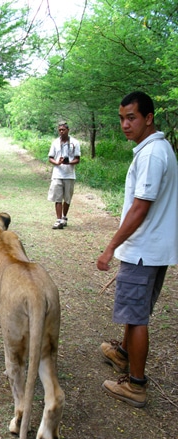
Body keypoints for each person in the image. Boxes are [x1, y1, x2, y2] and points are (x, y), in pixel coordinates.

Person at [97, 91, 178, 408]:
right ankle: (123, 355)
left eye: (131, 117)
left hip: (143, 250)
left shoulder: (152, 155)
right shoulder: (155, 149)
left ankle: (136, 384)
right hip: (152, 249)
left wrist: (110, 248)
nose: (125, 124)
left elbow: (140, 208)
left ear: (148, 118)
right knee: (135, 313)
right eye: (121, 118)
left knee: (137, 316)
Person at [48, 121, 81, 229]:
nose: (61, 132)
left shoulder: (75, 143)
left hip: (69, 174)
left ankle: (64, 217)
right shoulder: (55, 142)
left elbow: (77, 159)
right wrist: (57, 162)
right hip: (57, 174)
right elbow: (50, 157)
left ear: (68, 130)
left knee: (67, 198)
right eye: (60, 130)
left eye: (63, 130)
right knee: (58, 198)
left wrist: (69, 162)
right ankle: (58, 220)